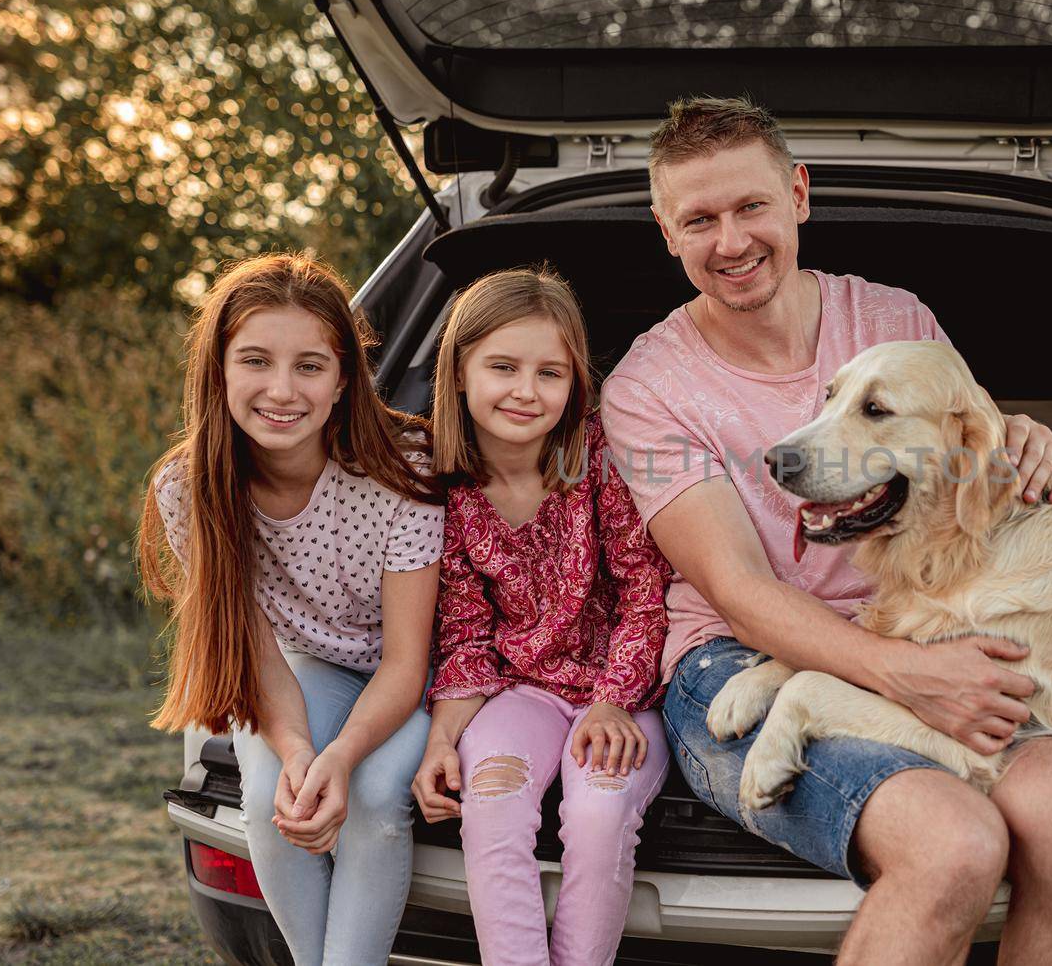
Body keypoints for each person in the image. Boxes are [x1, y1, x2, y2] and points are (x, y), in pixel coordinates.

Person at [600, 97, 1052, 965]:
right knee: (954, 844)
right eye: (699, 219)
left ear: (798, 194)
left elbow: (966, 454)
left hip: (923, 622)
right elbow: (741, 592)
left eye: (750, 206)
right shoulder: (646, 386)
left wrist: (1022, 436)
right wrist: (913, 677)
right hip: (736, 660)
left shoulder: (893, 320)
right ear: (666, 231)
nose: (730, 241)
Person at [140, 252, 444, 965]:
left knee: (370, 798)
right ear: (218, 370)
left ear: (343, 380)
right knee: (278, 800)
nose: (281, 389)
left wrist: (340, 755)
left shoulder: (402, 468)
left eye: (309, 365)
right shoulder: (189, 488)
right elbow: (258, 653)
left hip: (419, 674)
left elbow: (406, 660)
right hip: (307, 668)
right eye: (255, 360)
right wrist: (304, 751)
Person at [410, 267, 671, 966]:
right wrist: (441, 741)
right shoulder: (448, 490)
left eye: (549, 372)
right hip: (521, 692)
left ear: (574, 383)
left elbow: (647, 588)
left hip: (627, 694)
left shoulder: (599, 456)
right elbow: (464, 633)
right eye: (503, 366)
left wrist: (614, 700)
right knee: (492, 805)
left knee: (598, 810)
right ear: (459, 372)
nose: (527, 390)